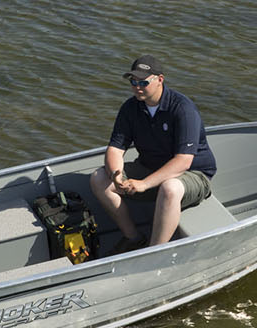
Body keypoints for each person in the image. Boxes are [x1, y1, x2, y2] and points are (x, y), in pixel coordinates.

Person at [90, 54, 217, 252]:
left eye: (143, 82)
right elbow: (115, 148)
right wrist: (116, 174)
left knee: (170, 188)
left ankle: (154, 251)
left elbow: (183, 161)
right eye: (133, 81)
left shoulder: (183, 109)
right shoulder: (130, 108)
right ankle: (133, 238)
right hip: (149, 168)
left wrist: (144, 184)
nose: (137, 87)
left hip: (193, 174)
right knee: (99, 178)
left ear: (160, 80)